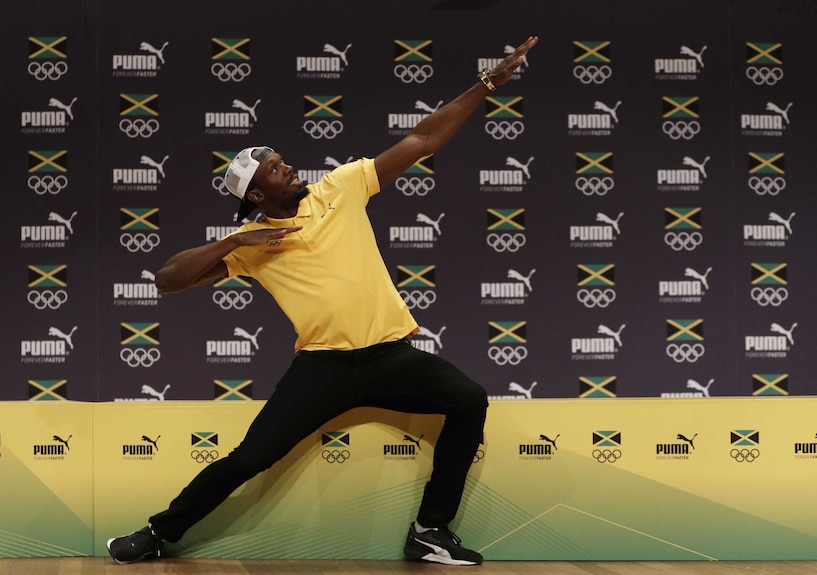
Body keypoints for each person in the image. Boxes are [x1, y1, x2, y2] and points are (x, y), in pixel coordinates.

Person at [107, 35, 538, 567]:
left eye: (283, 161)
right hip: (322, 367)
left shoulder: (342, 187)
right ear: (256, 197)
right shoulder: (254, 246)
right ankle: (157, 532)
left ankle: (429, 531)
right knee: (251, 458)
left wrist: (488, 83)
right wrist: (234, 240)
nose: (288, 168)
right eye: (274, 170)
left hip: (389, 354)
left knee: (469, 399)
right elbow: (167, 280)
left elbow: (425, 138)